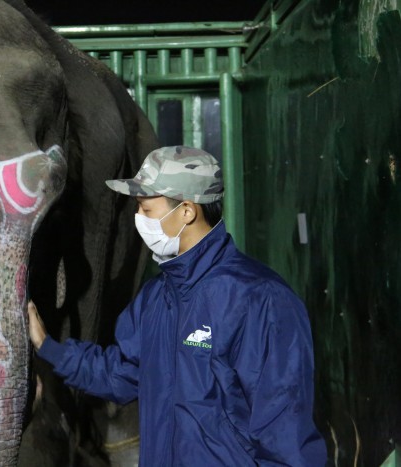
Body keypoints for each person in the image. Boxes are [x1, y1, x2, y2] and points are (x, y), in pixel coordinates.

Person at [27, 146, 327, 466]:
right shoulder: (156, 296)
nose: (138, 219)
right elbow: (122, 373)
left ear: (186, 211)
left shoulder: (260, 299)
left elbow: (285, 433)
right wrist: (48, 347)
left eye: (146, 209)